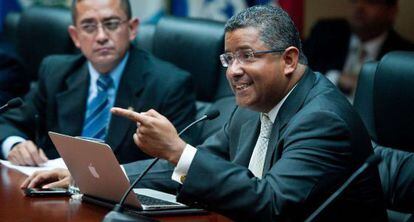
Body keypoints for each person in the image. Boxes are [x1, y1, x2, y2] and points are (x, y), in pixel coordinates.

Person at [22, 5, 387, 221]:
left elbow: (271, 204)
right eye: (229, 58)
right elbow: (188, 166)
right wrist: (89, 173)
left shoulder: (321, 118)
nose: (233, 70)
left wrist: (178, 150)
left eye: (247, 56)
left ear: (289, 59)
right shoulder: (251, 108)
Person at [0, 0, 196, 166]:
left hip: (124, 201)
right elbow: (8, 122)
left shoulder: (170, 84)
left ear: (132, 28)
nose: (101, 37)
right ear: (75, 36)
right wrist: (15, 145)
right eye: (89, 27)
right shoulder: (55, 72)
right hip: (53, 194)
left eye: (111, 24)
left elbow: (179, 161)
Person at [304, 0, 414, 100]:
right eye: (354, 0)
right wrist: (335, 77)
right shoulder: (324, 32)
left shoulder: (405, 55)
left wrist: (364, 86)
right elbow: (299, 75)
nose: (359, 7)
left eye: (371, 2)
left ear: (391, 11)